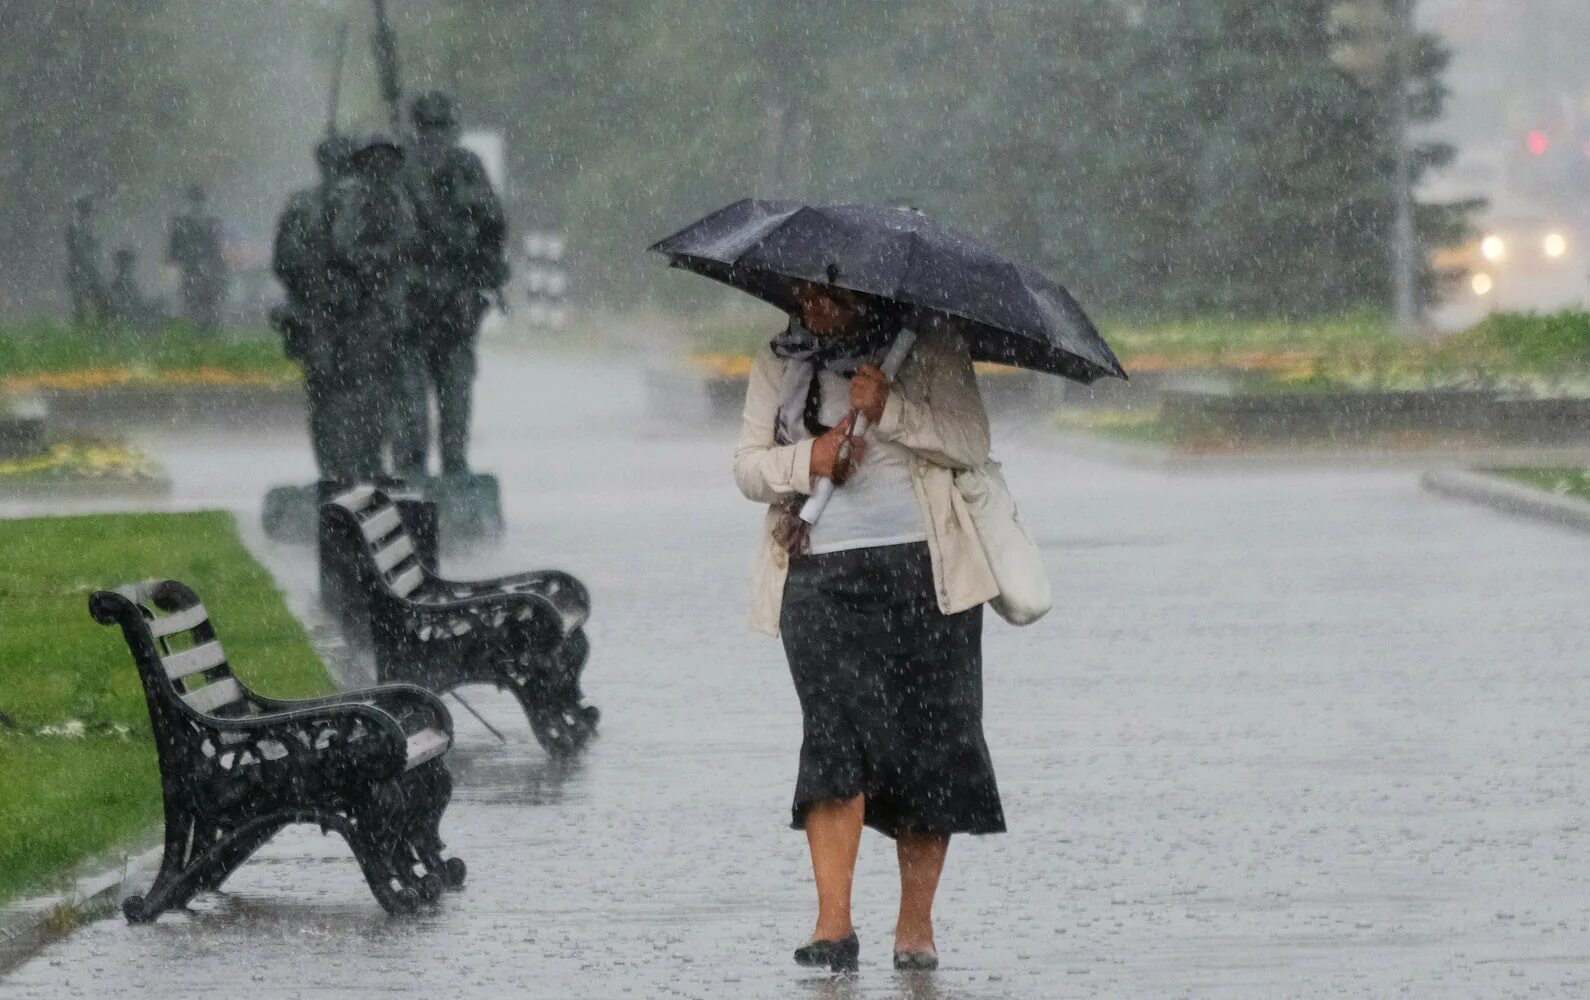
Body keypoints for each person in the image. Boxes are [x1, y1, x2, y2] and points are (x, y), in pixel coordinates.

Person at [732, 282, 1005, 973]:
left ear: (866, 292)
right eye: (804, 292)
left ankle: (915, 928)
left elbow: (970, 442)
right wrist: (811, 459)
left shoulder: (931, 346)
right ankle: (833, 926)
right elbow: (747, 467)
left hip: (928, 575)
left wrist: (893, 408)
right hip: (820, 577)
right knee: (832, 741)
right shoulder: (781, 356)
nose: (812, 306)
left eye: (829, 294)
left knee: (931, 744)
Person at [396, 90, 508, 478]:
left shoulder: (461, 167)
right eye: (433, 129)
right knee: (434, 395)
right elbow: (495, 226)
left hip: (446, 301)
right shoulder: (408, 167)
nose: (435, 139)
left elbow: (494, 226)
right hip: (419, 300)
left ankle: (439, 469)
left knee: (444, 394)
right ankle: (430, 469)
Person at [322, 133, 417, 481]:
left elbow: (409, 237)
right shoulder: (352, 197)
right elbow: (342, 241)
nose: (381, 166)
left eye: (387, 159)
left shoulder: (398, 197)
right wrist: (367, 262)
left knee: (390, 392)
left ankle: (379, 463)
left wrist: (388, 258)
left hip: (389, 308)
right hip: (358, 307)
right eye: (374, 159)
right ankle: (358, 464)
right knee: (360, 390)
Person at [272, 136, 358, 477]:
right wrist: (315, 265)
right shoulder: (304, 205)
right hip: (319, 315)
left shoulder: (362, 204)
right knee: (326, 395)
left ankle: (347, 469)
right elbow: (284, 262)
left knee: (351, 398)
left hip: (355, 316)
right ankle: (334, 471)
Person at [166, 184, 229, 334]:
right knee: (210, 297)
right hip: (207, 264)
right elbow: (215, 245)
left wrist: (176, 258)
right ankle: (209, 325)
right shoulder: (211, 220)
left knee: (192, 297)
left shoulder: (181, 220)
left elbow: (175, 247)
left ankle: (196, 324)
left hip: (191, 264)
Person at [65, 195, 105, 326]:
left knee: (96, 299)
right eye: (89, 212)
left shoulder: (84, 228)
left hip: (87, 271)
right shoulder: (75, 228)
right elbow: (78, 251)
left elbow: (89, 250)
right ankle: (82, 326)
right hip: (80, 271)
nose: (91, 216)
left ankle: (95, 325)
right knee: (81, 302)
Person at [105, 249, 157, 332]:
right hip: (125, 321)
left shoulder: (127, 285)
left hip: (128, 321)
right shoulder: (121, 285)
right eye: (125, 263)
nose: (128, 267)